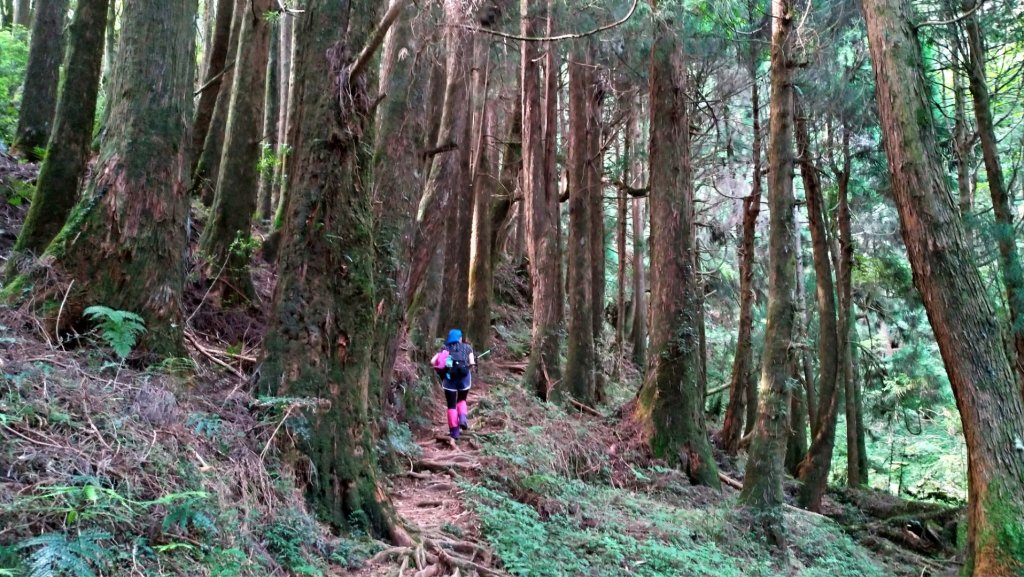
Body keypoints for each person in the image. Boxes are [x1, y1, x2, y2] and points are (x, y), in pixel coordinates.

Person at [430, 328, 476, 440]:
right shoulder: (467, 347)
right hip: (464, 380)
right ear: (460, 338)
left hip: (449, 380)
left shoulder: (445, 348)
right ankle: (463, 419)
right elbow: (472, 363)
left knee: (451, 405)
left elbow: (433, 361)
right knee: (462, 400)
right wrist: (468, 367)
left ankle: (454, 433)